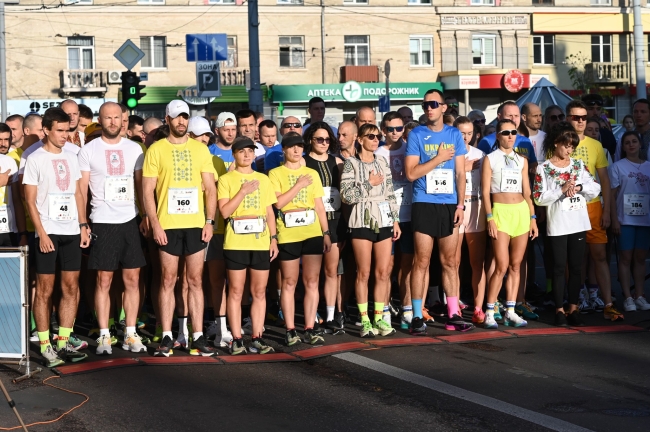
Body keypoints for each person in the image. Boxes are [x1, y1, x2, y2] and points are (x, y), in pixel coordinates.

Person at [142, 100, 218, 357]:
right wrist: (155, 223)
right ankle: (166, 335)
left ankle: (197, 336)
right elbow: (147, 191)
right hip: (168, 225)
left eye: (184, 117)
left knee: (195, 280)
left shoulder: (200, 150)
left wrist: (209, 221)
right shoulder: (156, 150)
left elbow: (210, 188)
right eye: (176, 117)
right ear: (167, 120)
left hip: (196, 224)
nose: (181, 121)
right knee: (167, 280)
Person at [77, 102, 147, 355]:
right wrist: (83, 223)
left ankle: (130, 332)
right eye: (108, 118)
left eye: (117, 117)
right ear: (101, 119)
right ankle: (104, 335)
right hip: (102, 221)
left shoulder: (134, 149)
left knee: (132, 279)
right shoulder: (88, 150)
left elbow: (141, 187)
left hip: (130, 219)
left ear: (123, 119)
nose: (113, 121)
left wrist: (147, 216)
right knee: (103, 279)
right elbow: (81, 190)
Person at [24, 108, 90, 367]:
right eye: (60, 131)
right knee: (44, 290)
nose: (65, 136)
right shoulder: (35, 158)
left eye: (68, 130)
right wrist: (41, 233)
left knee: (71, 287)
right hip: (47, 232)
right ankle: (45, 345)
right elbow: (29, 201)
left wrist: (83, 225)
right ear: (47, 130)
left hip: (71, 230)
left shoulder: (72, 157)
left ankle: (63, 342)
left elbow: (77, 194)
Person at [405, 89, 473, 334]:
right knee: (421, 261)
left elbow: (460, 174)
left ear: (444, 107)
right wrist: (438, 157)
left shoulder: (454, 134)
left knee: (451, 262)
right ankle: (415, 316)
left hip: (449, 204)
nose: (428, 108)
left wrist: (460, 205)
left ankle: (453, 313)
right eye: (425, 105)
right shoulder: (416, 134)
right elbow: (411, 173)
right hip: (424, 202)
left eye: (433, 104)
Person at [533, 122, 600, 326]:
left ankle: (574, 307)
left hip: (578, 222)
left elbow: (595, 187)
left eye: (572, 146)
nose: (569, 150)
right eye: (566, 145)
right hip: (558, 224)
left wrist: (578, 187)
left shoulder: (578, 165)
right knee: (559, 267)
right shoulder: (543, 168)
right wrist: (560, 190)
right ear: (556, 143)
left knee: (577, 267)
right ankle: (559, 309)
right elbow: (538, 198)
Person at [218, 136, 279, 355]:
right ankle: (236, 338)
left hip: (261, 241)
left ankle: (257, 336)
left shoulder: (263, 179)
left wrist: (274, 238)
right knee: (235, 291)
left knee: (259, 291)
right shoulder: (226, 179)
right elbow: (224, 212)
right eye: (242, 151)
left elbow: (269, 212)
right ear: (234, 154)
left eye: (250, 151)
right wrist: (242, 191)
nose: (247, 155)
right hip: (235, 242)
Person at [270, 133, 331, 345]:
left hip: (312, 231)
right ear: (284, 150)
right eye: (291, 147)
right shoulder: (275, 173)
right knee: (289, 282)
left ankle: (309, 327)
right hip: (288, 233)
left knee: (312, 281)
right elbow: (278, 203)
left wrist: (326, 232)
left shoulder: (311, 172)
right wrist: (298, 185)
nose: (296, 150)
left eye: (299, 147)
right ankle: (289, 329)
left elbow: (319, 206)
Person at [341, 123, 400, 338]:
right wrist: (368, 183)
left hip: (383, 218)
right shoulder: (351, 164)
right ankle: (364, 319)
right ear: (360, 139)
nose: (376, 140)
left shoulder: (383, 161)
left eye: (378, 136)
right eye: (371, 136)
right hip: (361, 220)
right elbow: (347, 196)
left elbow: (390, 193)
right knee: (363, 272)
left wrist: (395, 220)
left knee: (383, 272)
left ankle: (379, 317)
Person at [566, 100, 623, 320]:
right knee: (575, 257)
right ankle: (576, 298)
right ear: (568, 118)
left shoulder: (596, 145)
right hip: (569, 208)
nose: (580, 121)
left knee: (599, 255)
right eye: (575, 117)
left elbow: (605, 181)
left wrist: (607, 211)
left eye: (583, 117)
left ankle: (608, 302)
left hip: (593, 206)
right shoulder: (558, 143)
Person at [481, 119, 538, 329]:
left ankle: (511, 310)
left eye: (513, 132)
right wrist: (489, 217)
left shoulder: (521, 160)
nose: (510, 136)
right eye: (506, 132)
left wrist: (533, 218)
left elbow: (527, 192)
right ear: (498, 135)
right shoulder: (490, 159)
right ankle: (490, 310)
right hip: (500, 213)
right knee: (501, 265)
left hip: (521, 212)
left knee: (516, 265)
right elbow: (485, 191)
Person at [304, 122, 345, 333]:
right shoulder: (303, 162)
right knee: (312, 276)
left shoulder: (337, 161)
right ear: (311, 139)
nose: (324, 143)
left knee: (331, 271)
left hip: (335, 220)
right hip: (310, 222)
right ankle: (312, 316)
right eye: (319, 139)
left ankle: (331, 316)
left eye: (327, 139)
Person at [375, 111, 415, 328]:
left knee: (407, 266)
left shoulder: (411, 148)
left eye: (399, 128)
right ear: (384, 130)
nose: (395, 133)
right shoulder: (379, 153)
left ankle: (407, 309)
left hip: (409, 215)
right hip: (387, 218)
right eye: (391, 129)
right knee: (386, 267)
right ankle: (385, 309)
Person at [609, 131, 650, 312]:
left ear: (640, 144)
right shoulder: (618, 167)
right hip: (624, 219)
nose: (631, 145)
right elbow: (612, 195)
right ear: (623, 147)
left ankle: (639, 295)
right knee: (625, 258)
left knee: (640, 258)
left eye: (634, 141)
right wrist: (614, 220)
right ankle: (627, 297)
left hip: (645, 219)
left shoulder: (649, 166)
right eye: (627, 143)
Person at [453, 116, 487, 324]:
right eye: (461, 133)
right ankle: (453, 304)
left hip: (476, 206)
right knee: (453, 262)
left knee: (477, 262)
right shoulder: (448, 155)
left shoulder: (481, 155)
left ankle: (478, 307)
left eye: (468, 133)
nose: (465, 137)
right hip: (457, 207)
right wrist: (461, 168)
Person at [0, 123, 19, 246]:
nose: (3, 144)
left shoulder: (10, 161)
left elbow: (17, 200)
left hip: (8, 229)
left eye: (6, 139)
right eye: (0, 140)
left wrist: (22, 233)